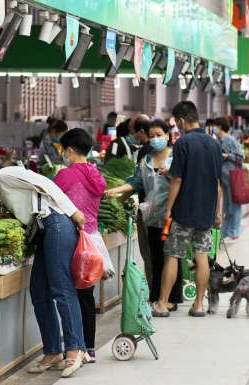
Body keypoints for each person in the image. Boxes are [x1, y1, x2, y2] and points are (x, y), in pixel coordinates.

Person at [0, 156, 88, 378]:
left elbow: (46, 184)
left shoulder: (5, 174)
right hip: (45, 232)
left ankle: (75, 348)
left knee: (61, 288)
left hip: (56, 222)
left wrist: (73, 212)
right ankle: (53, 351)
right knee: (39, 291)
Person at [154, 101, 222, 317]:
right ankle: (198, 305)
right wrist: (218, 212)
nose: (177, 127)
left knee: (173, 255)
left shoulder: (183, 143)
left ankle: (162, 304)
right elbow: (218, 182)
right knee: (201, 255)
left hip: (184, 211)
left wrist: (168, 209)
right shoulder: (214, 144)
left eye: (177, 123)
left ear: (182, 120)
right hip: (206, 212)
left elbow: (177, 180)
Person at [105, 119, 183, 309]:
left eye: (159, 135)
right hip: (152, 216)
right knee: (155, 257)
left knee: (172, 257)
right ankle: (156, 296)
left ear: (167, 135)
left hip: (173, 215)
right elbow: (136, 182)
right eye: (152, 136)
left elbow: (182, 181)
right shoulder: (145, 161)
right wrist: (117, 190)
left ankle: (172, 298)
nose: (155, 139)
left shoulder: (176, 159)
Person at [54, 128, 111, 363]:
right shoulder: (97, 176)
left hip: (71, 240)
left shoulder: (65, 176)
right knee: (87, 296)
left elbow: (51, 202)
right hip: (92, 241)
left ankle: (74, 347)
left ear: (69, 150)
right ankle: (89, 347)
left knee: (69, 295)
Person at [215, 117, 245, 241]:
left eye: (215, 126)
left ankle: (234, 231)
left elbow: (241, 156)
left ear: (220, 127)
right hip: (226, 177)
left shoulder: (229, 139)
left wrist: (228, 155)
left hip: (232, 175)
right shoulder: (220, 140)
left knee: (234, 205)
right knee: (227, 206)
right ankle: (227, 231)